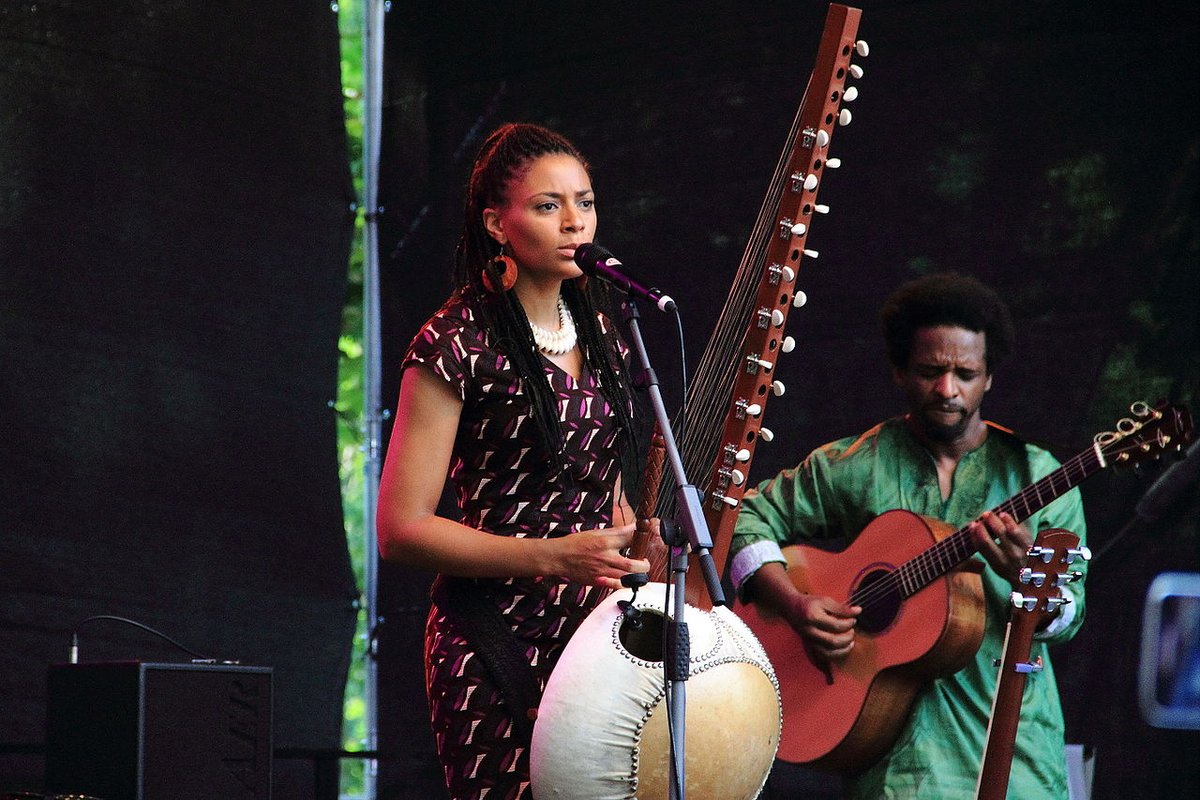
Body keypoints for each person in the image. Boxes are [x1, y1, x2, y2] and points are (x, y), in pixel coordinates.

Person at [730, 271, 1087, 799]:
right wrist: (796, 605)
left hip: (1011, 755)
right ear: (899, 372)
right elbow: (742, 516)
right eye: (929, 371)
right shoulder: (857, 464)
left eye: (965, 373)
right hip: (896, 767)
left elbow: (1070, 615)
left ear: (989, 377)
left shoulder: (1041, 477)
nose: (948, 390)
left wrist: (1027, 578)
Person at [376, 122, 651, 799]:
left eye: (584, 202)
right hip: (492, 639)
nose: (573, 223)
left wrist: (632, 552)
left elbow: (602, 488)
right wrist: (554, 556)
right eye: (547, 205)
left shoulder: (611, 335)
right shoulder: (455, 342)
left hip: (596, 641)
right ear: (497, 224)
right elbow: (400, 530)